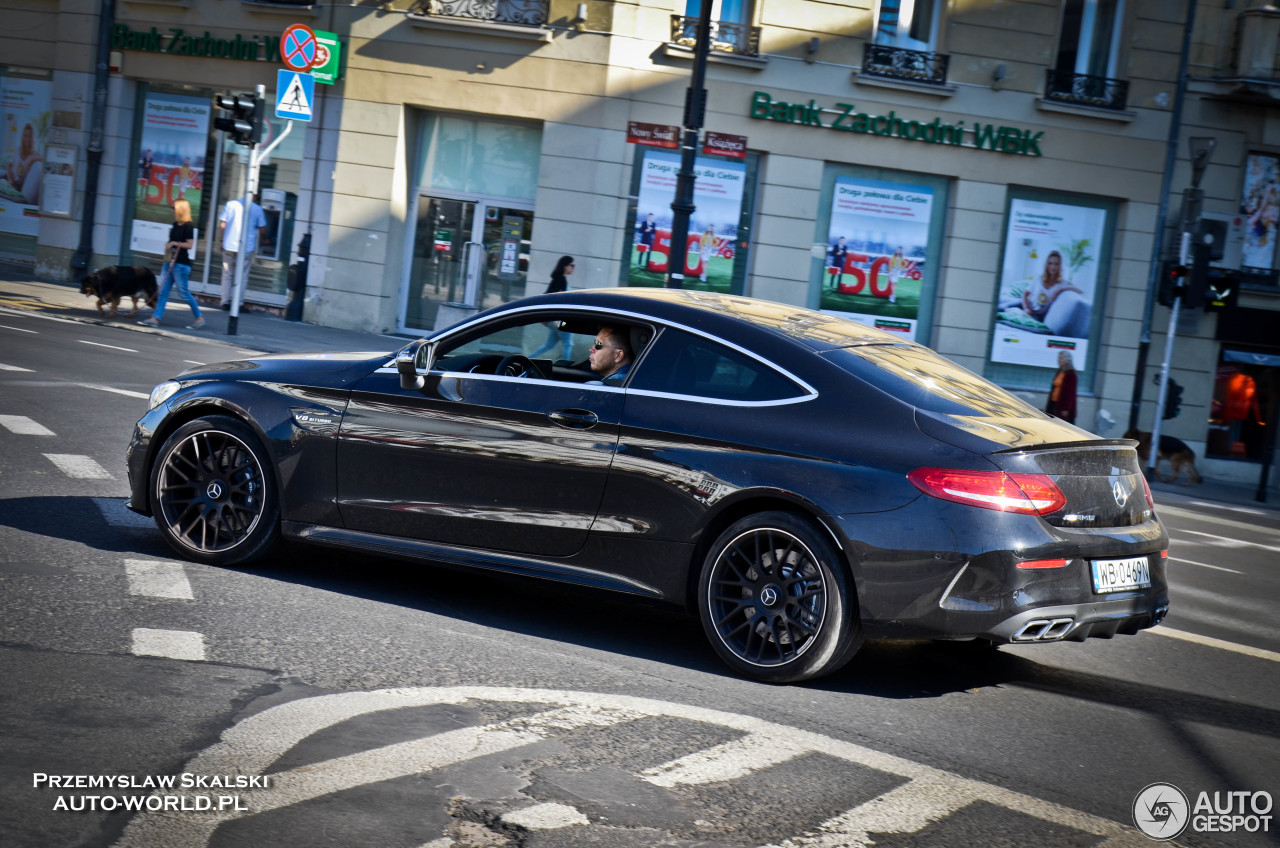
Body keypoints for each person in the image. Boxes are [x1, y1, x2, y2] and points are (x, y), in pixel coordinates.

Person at [139, 199, 204, 329]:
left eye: (173, 208)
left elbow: (190, 245)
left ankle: (199, 317)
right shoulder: (175, 224)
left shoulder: (188, 225)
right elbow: (172, 240)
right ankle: (155, 318)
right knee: (163, 291)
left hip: (181, 264)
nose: (172, 210)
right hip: (169, 262)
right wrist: (168, 244)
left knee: (183, 293)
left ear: (180, 209)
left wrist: (174, 244)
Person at [219, 193, 268, 311]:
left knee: (227, 274)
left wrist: (222, 241)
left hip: (229, 245)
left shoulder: (230, 204)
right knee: (242, 276)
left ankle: (225, 302)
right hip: (246, 248)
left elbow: (222, 224)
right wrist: (266, 239)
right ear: (255, 196)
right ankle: (238, 303)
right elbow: (263, 229)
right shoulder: (257, 209)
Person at [530, 255, 575, 360]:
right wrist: (553, 318)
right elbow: (557, 300)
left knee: (549, 345)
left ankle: (529, 359)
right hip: (560, 320)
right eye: (572, 265)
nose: (573, 268)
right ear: (565, 266)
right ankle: (566, 369)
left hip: (555, 320)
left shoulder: (558, 279)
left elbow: (547, 296)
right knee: (568, 344)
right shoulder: (560, 280)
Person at [1022, 250, 1082, 323]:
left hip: (1041, 317)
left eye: (1056, 264)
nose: (1053, 267)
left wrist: (1060, 289)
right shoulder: (1038, 279)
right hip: (1028, 310)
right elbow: (1025, 294)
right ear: (1047, 265)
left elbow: (1080, 290)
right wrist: (1026, 308)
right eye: (1050, 263)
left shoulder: (1062, 283)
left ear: (1060, 266)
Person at [5, 123, 43, 204]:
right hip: (14, 183)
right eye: (25, 136)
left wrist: (32, 160)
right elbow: (9, 166)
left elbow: (44, 159)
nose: (27, 138)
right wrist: (10, 180)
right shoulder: (17, 151)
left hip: (23, 187)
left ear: (32, 138)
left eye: (29, 136)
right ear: (23, 137)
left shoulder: (34, 154)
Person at [1045, 350, 1077, 423]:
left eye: (1061, 358)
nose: (1059, 360)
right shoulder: (1059, 372)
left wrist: (1066, 409)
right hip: (1053, 403)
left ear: (1067, 360)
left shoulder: (1071, 375)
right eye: (1059, 358)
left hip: (1063, 407)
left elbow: (1070, 394)